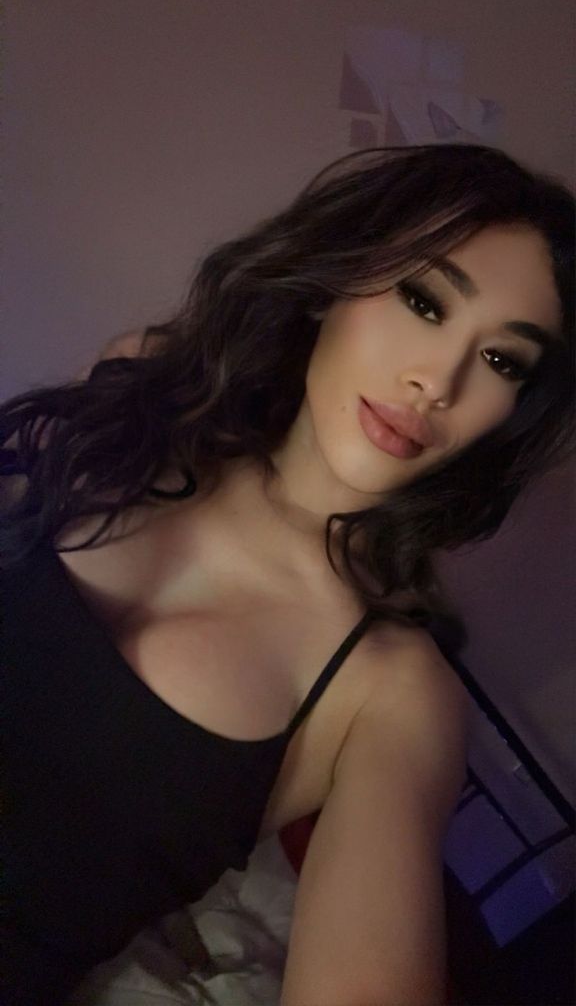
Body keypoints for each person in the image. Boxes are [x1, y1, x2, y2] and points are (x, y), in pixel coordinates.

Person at [0, 143, 574, 1006]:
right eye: (424, 300)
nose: (436, 382)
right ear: (339, 277)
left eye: (501, 362)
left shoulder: (388, 691)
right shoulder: (145, 386)